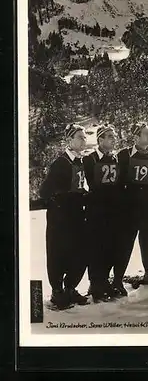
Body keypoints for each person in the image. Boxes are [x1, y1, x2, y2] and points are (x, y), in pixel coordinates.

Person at [39, 123, 89, 310]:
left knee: (79, 252)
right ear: (69, 140)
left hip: (76, 214)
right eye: (80, 137)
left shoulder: (80, 161)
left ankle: (70, 288)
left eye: (84, 137)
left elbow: (77, 186)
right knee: (58, 253)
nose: (84, 140)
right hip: (60, 217)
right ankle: (57, 291)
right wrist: (61, 201)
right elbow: (45, 191)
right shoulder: (60, 163)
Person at [116, 122, 148, 290]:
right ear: (136, 137)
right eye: (145, 133)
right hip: (129, 208)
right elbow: (118, 182)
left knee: (147, 240)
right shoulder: (124, 155)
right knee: (125, 242)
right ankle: (117, 279)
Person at [83, 124, 127, 302]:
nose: (113, 139)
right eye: (109, 136)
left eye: (114, 136)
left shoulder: (116, 159)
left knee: (111, 247)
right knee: (96, 248)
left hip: (113, 211)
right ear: (100, 140)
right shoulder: (90, 159)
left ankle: (105, 281)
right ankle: (95, 284)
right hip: (96, 210)